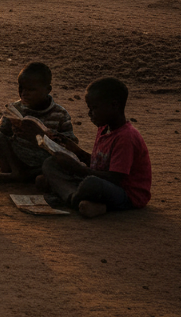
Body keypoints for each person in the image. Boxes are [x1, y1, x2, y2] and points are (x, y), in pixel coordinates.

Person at [38, 77, 151, 218]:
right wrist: (76, 151)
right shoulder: (104, 128)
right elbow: (100, 164)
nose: (89, 113)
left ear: (114, 105)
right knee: (51, 164)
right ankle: (76, 198)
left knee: (92, 184)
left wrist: (77, 168)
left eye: (94, 108)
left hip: (126, 193)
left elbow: (115, 179)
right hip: (102, 182)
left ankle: (71, 198)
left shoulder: (126, 137)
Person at [0, 62, 78, 182]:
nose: (24, 93)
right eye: (21, 88)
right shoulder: (15, 108)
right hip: (17, 159)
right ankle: (15, 173)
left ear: (47, 90)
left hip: (42, 162)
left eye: (31, 89)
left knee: (54, 163)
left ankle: (21, 176)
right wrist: (5, 128)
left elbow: (70, 145)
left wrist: (46, 137)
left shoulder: (60, 114)